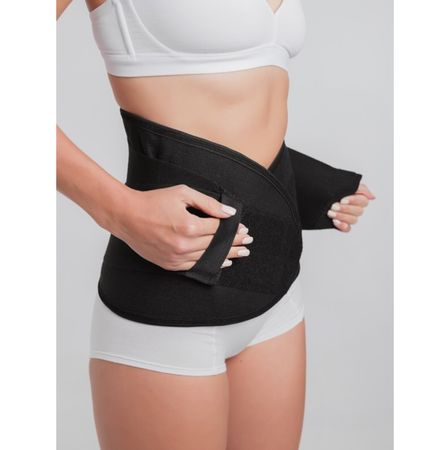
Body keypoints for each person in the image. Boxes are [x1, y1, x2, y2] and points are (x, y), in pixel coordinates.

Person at [57, 0, 375, 449]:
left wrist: (297, 182)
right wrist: (122, 211)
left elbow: (233, 103)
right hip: (168, 299)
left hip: (275, 292)